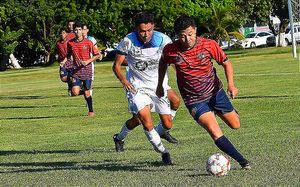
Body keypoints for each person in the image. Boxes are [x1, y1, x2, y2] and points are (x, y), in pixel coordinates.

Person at [156, 15, 251, 169]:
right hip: (194, 100)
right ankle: (243, 161)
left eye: (190, 34)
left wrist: (231, 85)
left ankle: (224, 111)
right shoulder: (170, 50)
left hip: (216, 93)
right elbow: (163, 63)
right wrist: (159, 85)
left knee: (235, 125)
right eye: (182, 36)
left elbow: (226, 63)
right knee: (214, 131)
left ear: (195, 31)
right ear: (177, 36)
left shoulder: (209, 45)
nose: (187, 39)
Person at [112, 12, 175, 165]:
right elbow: (116, 66)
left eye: (149, 30)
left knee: (167, 124)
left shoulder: (164, 40)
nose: (146, 34)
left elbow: (173, 60)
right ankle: (164, 153)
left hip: (158, 86)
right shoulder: (128, 41)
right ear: (136, 29)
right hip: (137, 87)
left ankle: (119, 137)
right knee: (146, 121)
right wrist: (124, 81)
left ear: (153, 26)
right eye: (142, 31)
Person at [67, 21, 101, 117]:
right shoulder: (70, 43)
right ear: (73, 31)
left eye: (79, 29)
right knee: (74, 92)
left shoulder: (89, 42)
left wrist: (88, 61)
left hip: (87, 70)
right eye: (76, 30)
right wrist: (66, 63)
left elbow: (97, 55)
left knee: (86, 93)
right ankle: (73, 85)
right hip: (76, 71)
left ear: (83, 31)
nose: (77, 31)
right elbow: (69, 55)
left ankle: (91, 111)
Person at [56, 28, 74, 95]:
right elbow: (58, 52)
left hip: (70, 62)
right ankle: (70, 84)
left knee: (72, 77)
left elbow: (71, 52)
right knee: (63, 78)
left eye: (63, 33)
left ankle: (72, 87)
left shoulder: (69, 42)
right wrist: (58, 59)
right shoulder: (58, 43)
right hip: (62, 63)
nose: (62, 35)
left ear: (66, 34)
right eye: (61, 33)